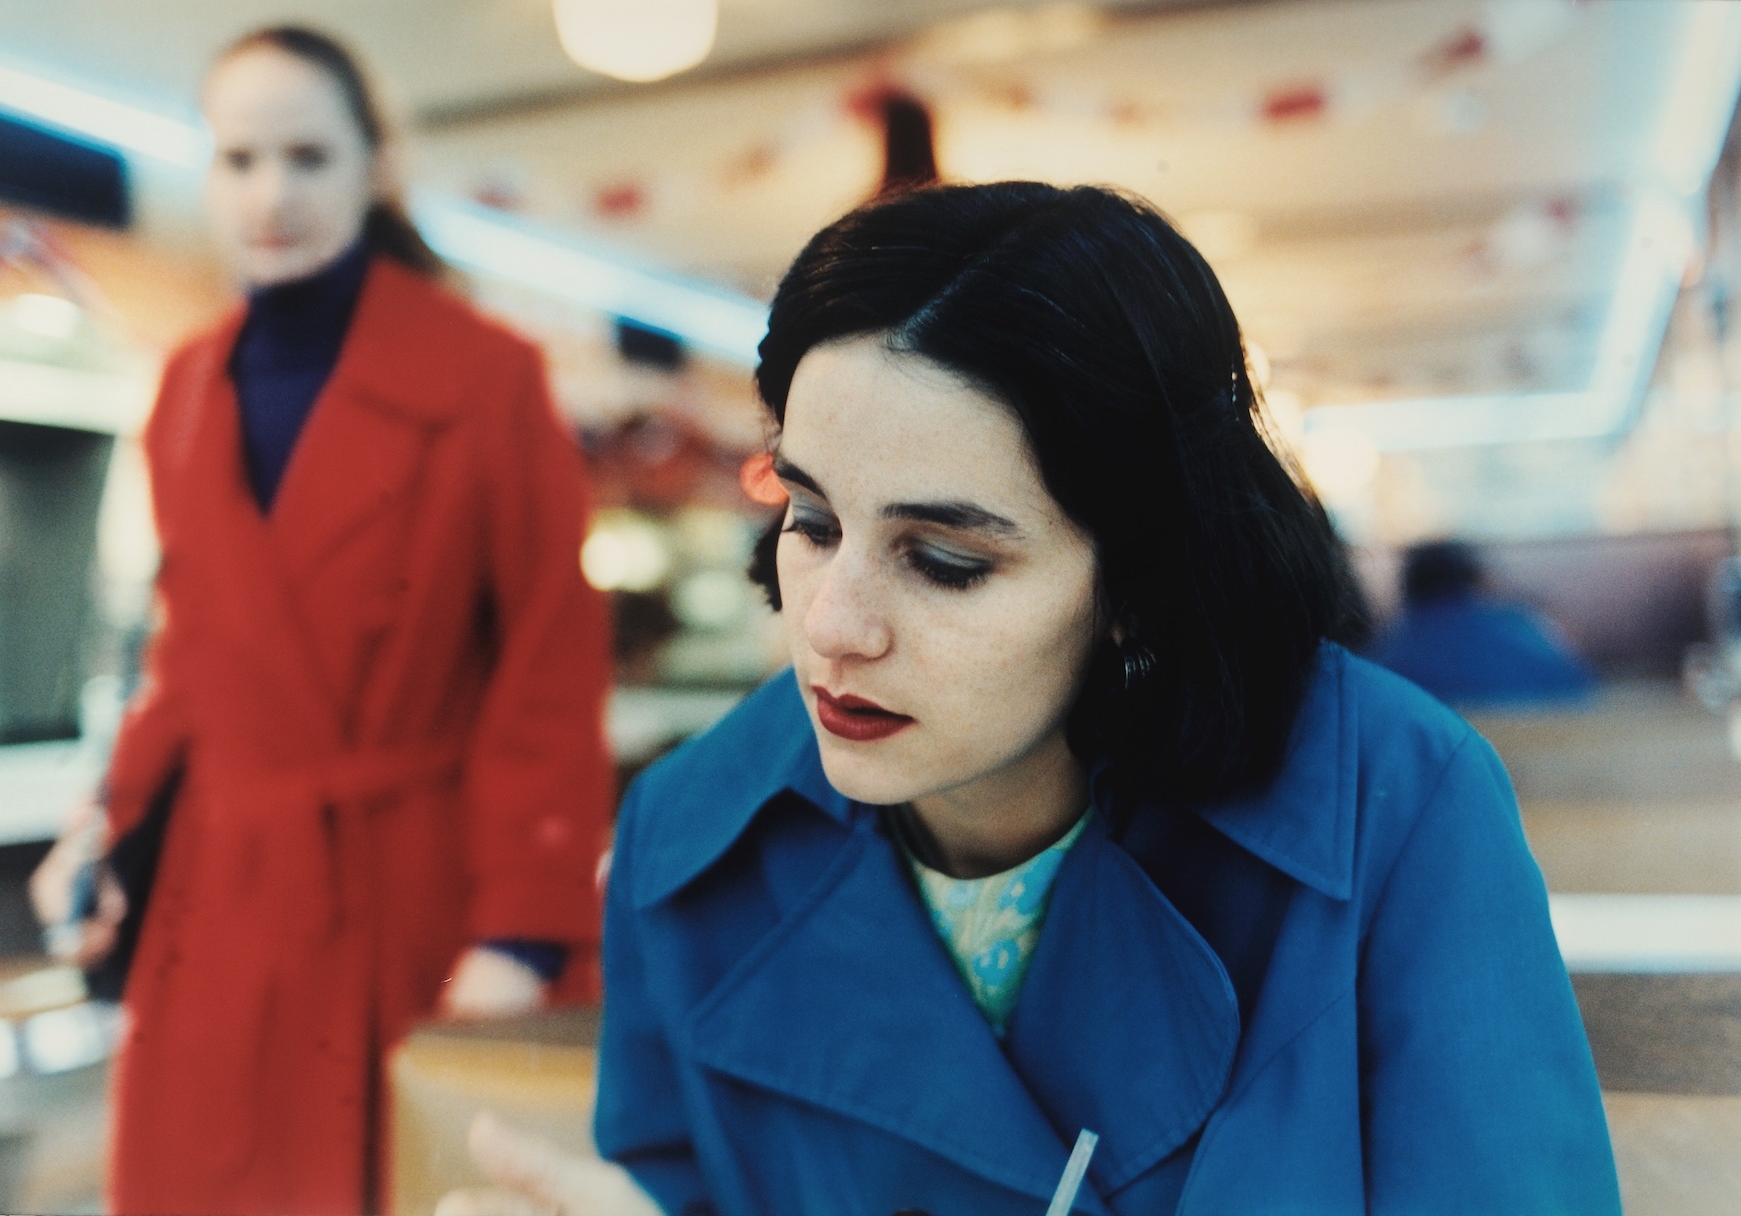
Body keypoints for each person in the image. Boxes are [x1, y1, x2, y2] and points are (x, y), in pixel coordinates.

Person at [441, 183, 1618, 1216]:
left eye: (945, 560)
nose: (830, 626)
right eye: (811, 520)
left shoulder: (1392, 803)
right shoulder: (685, 841)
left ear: (1139, 584)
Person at [27, 26, 612, 1216]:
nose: (271, 193)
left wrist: (523, 931)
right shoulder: (186, 388)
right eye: (239, 159)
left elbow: (548, 667)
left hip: (408, 887)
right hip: (220, 895)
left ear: (373, 164)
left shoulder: (487, 376)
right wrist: (104, 822)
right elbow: (192, 657)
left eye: (306, 154)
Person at [1371, 539, 1596, 707]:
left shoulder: (1386, 663)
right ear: (1481, 581)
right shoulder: (1531, 644)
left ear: (1407, 589)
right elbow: (1579, 688)